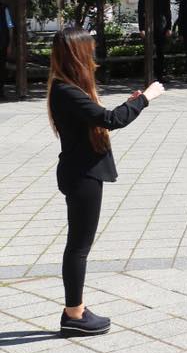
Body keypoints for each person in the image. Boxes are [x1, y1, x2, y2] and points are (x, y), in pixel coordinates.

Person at [48, 27, 165, 335]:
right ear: (77, 53)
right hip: (81, 174)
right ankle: (74, 315)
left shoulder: (67, 87)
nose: (94, 54)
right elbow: (111, 120)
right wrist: (146, 99)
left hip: (79, 171)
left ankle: (75, 310)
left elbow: (101, 117)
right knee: (79, 247)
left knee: (78, 245)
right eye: (89, 48)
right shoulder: (67, 90)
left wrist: (132, 102)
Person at [136, 0, 172, 79]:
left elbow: (168, 14)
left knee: (160, 53)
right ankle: (149, 76)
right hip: (148, 29)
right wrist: (141, 29)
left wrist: (169, 28)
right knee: (149, 52)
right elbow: (140, 14)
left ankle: (160, 76)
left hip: (162, 29)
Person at [0, 0, 14, 98]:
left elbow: (10, 26)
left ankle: (0, 90)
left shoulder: (3, 8)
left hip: (2, 43)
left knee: (1, 67)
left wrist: (10, 44)